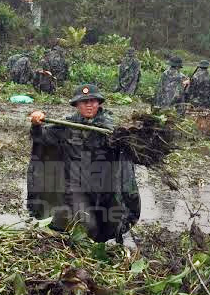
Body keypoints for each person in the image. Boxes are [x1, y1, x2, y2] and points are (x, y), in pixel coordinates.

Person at [27, 84, 140, 242]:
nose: (89, 105)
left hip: (104, 188)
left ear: (99, 103)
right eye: (84, 102)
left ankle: (91, 252)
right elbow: (42, 137)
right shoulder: (66, 126)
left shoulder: (111, 128)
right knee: (90, 225)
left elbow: (131, 153)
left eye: (93, 101)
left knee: (109, 225)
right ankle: (83, 256)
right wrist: (36, 124)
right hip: (76, 188)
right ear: (77, 105)